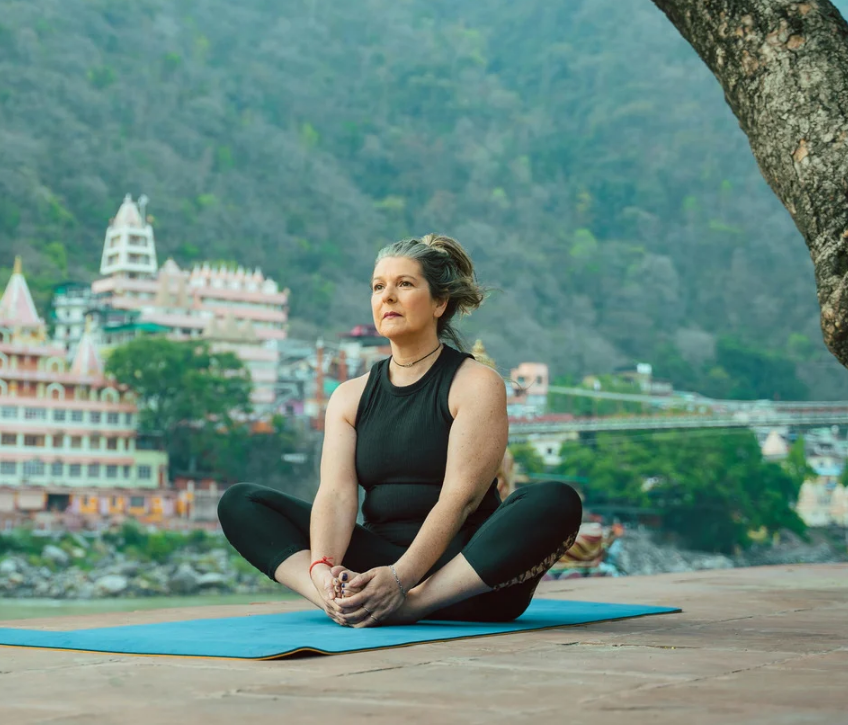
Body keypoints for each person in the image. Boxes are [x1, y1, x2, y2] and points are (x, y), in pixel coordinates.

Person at [218, 234, 583, 627]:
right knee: (241, 502)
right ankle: (336, 603)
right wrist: (324, 570)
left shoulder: (475, 383)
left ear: (440, 303)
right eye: (378, 287)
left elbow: (459, 498)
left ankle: (408, 607)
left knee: (554, 499)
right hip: (377, 563)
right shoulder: (348, 396)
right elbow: (337, 494)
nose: (387, 296)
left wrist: (401, 581)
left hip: (467, 575)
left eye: (404, 284)